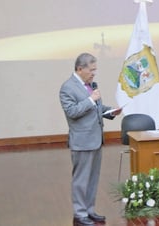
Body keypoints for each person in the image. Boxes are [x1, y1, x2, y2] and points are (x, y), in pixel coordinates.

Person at [59, 53, 121, 226]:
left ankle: (89, 210)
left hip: (96, 139)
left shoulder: (90, 85)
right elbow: (72, 112)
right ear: (80, 69)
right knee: (81, 179)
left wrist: (111, 111)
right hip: (82, 142)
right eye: (91, 70)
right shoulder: (68, 88)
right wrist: (90, 99)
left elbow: (96, 108)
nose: (94, 73)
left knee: (93, 178)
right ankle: (79, 213)